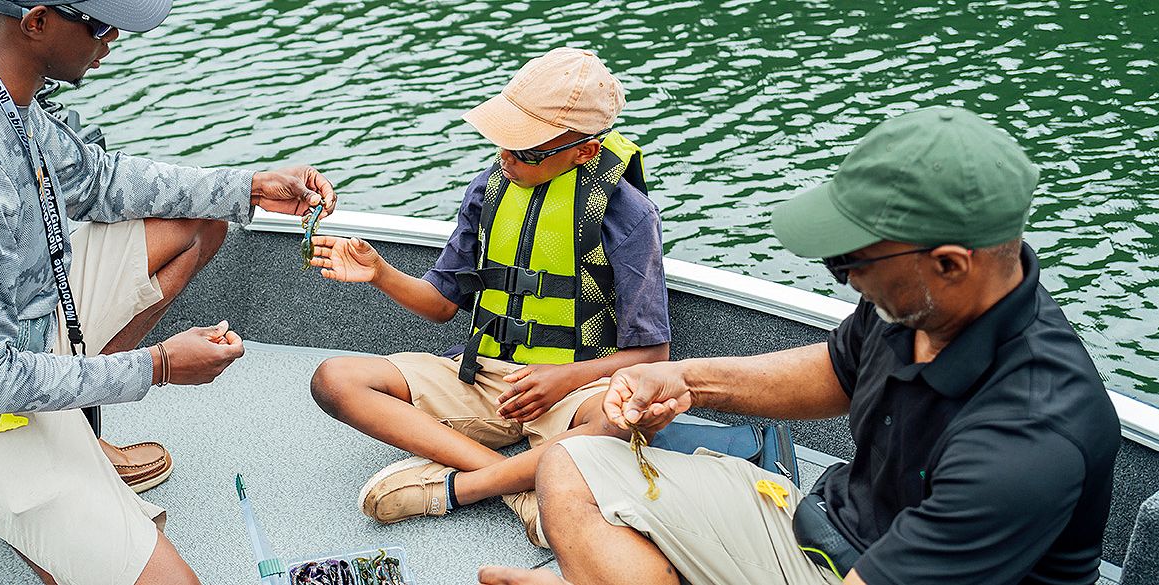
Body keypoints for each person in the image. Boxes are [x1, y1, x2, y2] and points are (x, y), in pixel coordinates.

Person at [477, 106, 1121, 585]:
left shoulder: (1026, 442)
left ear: (951, 264)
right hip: (828, 532)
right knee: (574, 463)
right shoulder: (920, 305)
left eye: (850, 263)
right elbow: (835, 370)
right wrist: (684, 381)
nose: (845, 279)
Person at [0, 0, 336, 583]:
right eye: (100, 24)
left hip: (24, 331)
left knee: (202, 221)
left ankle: (70, 436)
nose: (116, 37)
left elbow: (96, 181)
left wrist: (248, 187)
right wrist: (158, 367)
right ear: (38, 21)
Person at [306, 48, 670, 548]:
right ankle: (518, 487)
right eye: (502, 142)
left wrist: (562, 378)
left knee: (621, 419)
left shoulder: (628, 216)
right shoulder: (489, 190)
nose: (505, 159)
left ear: (583, 151)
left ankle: (461, 486)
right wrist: (380, 273)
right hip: (488, 380)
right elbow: (441, 304)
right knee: (336, 380)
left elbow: (653, 356)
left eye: (524, 151)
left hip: (579, 390)